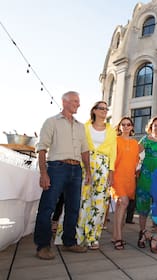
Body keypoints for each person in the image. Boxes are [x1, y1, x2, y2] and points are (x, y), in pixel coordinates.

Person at [34, 91, 91, 260]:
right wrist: (43, 173)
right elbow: (42, 148)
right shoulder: (51, 122)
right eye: (75, 101)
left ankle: (69, 241)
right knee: (47, 207)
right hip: (56, 168)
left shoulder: (81, 126)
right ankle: (42, 246)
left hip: (76, 170)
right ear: (64, 102)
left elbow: (85, 150)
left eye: (79, 101)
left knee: (73, 208)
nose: (78, 104)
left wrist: (88, 171)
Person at [57, 101, 117, 250]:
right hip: (84, 166)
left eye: (106, 109)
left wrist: (111, 172)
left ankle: (92, 237)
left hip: (103, 167)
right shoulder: (84, 127)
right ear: (94, 111)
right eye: (101, 108)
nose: (104, 111)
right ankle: (75, 236)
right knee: (80, 201)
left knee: (99, 203)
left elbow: (113, 153)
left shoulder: (111, 130)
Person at [136, 116, 157, 248]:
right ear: (151, 127)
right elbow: (135, 156)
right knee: (143, 205)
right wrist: (136, 169)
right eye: (155, 125)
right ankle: (142, 233)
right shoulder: (145, 140)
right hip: (145, 176)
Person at [110, 117, 140, 249]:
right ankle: (119, 238)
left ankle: (115, 236)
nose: (126, 127)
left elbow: (136, 161)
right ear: (119, 126)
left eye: (128, 124)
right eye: (123, 124)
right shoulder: (115, 141)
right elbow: (111, 159)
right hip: (117, 177)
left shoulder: (135, 143)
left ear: (132, 127)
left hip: (130, 178)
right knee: (124, 202)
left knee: (120, 207)